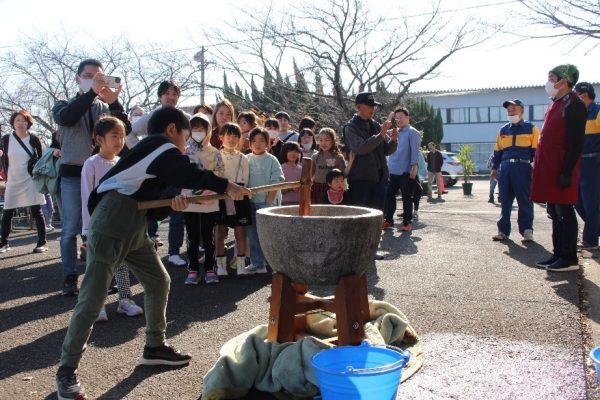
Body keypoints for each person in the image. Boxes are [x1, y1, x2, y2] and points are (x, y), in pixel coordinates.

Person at [55, 107, 251, 400]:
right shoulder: (160, 146)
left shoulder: (154, 155)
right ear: (172, 129)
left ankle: (154, 346)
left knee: (159, 281)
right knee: (93, 297)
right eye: (186, 136)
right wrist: (226, 185)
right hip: (112, 219)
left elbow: (152, 200)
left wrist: (171, 205)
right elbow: (188, 173)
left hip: (133, 221)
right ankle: (66, 370)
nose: (187, 144)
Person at [52, 58, 124, 296]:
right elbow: (67, 118)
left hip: (105, 175)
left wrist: (115, 103)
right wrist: (91, 93)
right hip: (73, 175)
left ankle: (110, 276)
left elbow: (124, 132)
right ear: (78, 78)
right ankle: (69, 276)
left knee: (106, 225)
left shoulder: (105, 107)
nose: (95, 80)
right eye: (89, 76)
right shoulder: (62, 104)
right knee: (71, 227)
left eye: (99, 76)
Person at [80, 116, 143, 321]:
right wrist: (87, 230)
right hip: (98, 227)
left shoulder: (122, 163)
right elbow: (86, 197)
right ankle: (96, 305)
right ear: (99, 139)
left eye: (122, 136)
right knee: (97, 267)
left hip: (119, 225)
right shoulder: (91, 164)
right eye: (114, 135)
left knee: (121, 264)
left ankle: (125, 301)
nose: (119, 140)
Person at [531, 64, 587, 272]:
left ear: (565, 80)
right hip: (550, 168)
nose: (549, 82)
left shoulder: (574, 105)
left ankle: (569, 257)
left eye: (552, 77)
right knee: (554, 211)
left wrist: (567, 172)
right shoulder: (556, 104)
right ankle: (558, 253)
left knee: (565, 211)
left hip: (563, 169)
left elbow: (576, 143)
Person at [129, 80, 190, 267]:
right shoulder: (151, 116)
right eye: (167, 93)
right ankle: (146, 250)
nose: (171, 97)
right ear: (160, 95)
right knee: (151, 211)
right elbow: (130, 133)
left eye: (174, 94)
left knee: (178, 211)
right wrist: (142, 152)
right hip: (154, 172)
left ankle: (173, 252)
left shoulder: (186, 117)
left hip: (177, 169)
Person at [182, 113, 225, 285]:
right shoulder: (184, 151)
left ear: (208, 130)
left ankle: (210, 268)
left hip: (210, 201)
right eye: (195, 128)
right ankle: (192, 269)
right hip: (189, 202)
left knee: (209, 237)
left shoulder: (215, 152)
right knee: (192, 237)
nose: (198, 131)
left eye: (202, 128)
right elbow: (181, 176)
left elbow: (221, 173)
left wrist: (209, 188)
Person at [490, 99, 539, 243]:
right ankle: (503, 231)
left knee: (525, 200)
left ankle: (527, 231)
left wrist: (534, 168)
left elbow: (536, 151)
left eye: (514, 109)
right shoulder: (503, 130)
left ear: (522, 111)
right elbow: (497, 151)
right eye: (509, 110)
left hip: (523, 167)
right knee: (505, 200)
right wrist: (494, 167)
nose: (511, 112)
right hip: (505, 168)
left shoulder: (532, 128)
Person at [0, 110, 47, 253]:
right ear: (13, 123)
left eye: (24, 121)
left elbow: (41, 160)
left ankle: (41, 242)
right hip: (13, 180)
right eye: (18, 120)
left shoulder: (34, 139)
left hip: (30, 179)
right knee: (8, 211)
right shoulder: (6, 139)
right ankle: (4, 243)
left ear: (29, 123)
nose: (21, 123)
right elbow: (3, 158)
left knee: (36, 211)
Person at [344, 92, 397, 210]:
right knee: (361, 219)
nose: (372, 109)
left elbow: (387, 150)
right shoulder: (350, 127)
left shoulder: (376, 125)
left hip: (379, 179)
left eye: (373, 106)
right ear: (358, 107)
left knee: (378, 217)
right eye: (369, 105)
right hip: (361, 181)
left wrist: (393, 140)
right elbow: (361, 148)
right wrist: (381, 134)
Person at [245, 127, 284, 274]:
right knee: (253, 235)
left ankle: (276, 265)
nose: (257, 144)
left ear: (268, 143)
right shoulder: (247, 158)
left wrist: (268, 201)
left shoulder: (272, 159)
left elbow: (277, 181)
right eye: (254, 141)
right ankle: (257, 263)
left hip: (268, 204)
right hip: (250, 202)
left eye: (262, 140)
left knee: (271, 235)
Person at [215, 123, 251, 277]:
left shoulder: (243, 158)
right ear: (221, 137)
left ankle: (241, 265)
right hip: (219, 196)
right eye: (228, 135)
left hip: (239, 197)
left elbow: (246, 179)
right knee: (219, 232)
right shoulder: (215, 156)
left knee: (240, 232)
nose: (232, 138)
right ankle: (220, 266)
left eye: (236, 135)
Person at [574, 82, 600, 250]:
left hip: (593, 162)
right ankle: (595, 229)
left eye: (577, 97)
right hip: (578, 163)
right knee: (577, 200)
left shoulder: (597, 112)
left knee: (592, 202)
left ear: (585, 95)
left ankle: (590, 240)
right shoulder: (577, 115)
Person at [383, 107, 418, 231]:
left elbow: (415, 151)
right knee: (389, 195)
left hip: (405, 170)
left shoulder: (413, 132)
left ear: (408, 118)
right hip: (392, 170)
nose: (398, 119)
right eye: (396, 117)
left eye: (401, 117)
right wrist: (389, 118)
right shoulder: (393, 132)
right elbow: (382, 134)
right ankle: (388, 220)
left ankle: (407, 222)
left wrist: (414, 167)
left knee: (406, 197)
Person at [312, 128, 346, 204]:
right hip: (317, 187)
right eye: (320, 140)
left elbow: (344, 174)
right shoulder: (315, 157)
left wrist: (351, 162)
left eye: (327, 140)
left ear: (333, 141)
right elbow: (311, 174)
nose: (323, 143)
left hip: (333, 188)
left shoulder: (338, 157)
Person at [280, 141, 303, 205]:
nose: (293, 153)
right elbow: (279, 188)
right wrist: (291, 188)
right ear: (285, 152)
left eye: (296, 151)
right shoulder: (280, 168)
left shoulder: (301, 169)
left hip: (300, 201)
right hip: (284, 202)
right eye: (290, 151)